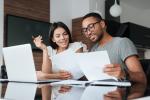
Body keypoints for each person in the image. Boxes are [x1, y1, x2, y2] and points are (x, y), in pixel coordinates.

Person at [81, 12, 147, 84]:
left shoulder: (122, 43)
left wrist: (124, 74)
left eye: (90, 26)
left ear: (102, 24)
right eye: (85, 30)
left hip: (119, 92)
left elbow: (142, 78)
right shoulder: (93, 49)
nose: (88, 32)